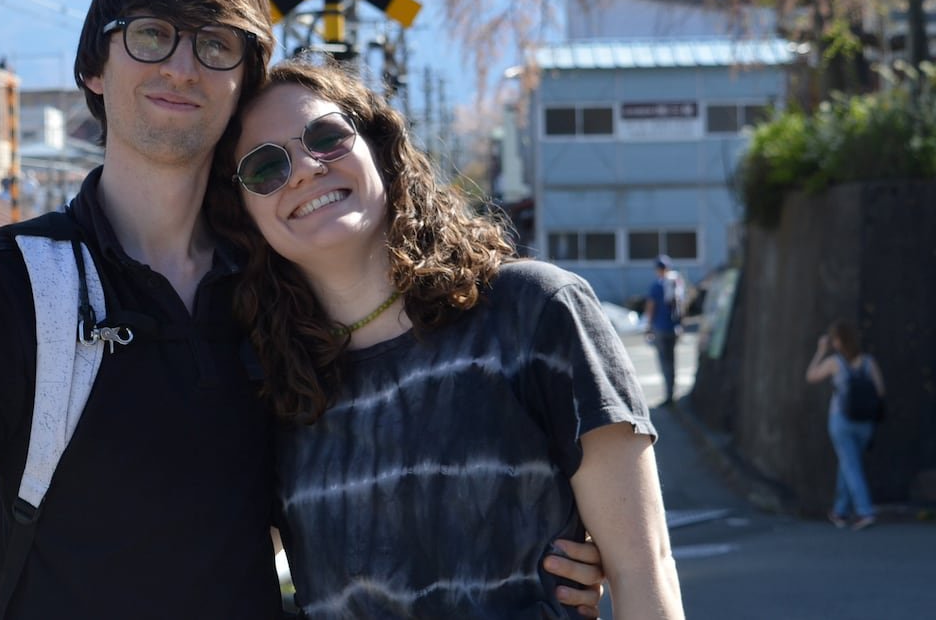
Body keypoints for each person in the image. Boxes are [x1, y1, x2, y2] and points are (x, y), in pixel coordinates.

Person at [0, 0, 604, 619]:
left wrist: (547, 537)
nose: (181, 66)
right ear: (93, 68)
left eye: (216, 45)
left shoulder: (281, 293)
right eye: (150, 35)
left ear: (242, 87)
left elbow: (384, 478)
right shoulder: (7, 288)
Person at [207, 60, 684, 619]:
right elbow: (208, 577)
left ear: (379, 146)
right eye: (265, 167)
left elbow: (644, 568)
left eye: (327, 136)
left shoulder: (536, 313)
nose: (307, 169)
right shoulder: (267, 384)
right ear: (243, 213)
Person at [804, 320, 886, 531]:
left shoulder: (835, 363)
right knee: (848, 463)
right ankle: (840, 511)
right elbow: (880, 392)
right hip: (866, 422)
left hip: (842, 420)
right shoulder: (869, 362)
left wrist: (820, 350)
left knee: (850, 466)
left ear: (837, 341)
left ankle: (864, 511)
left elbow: (811, 376)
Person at [644, 254, 683, 407]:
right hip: (673, 328)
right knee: (672, 361)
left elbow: (651, 307)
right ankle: (672, 392)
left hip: (660, 328)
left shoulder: (657, 286)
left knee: (663, 361)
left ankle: (668, 394)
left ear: (657, 269)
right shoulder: (676, 284)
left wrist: (648, 326)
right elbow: (682, 307)